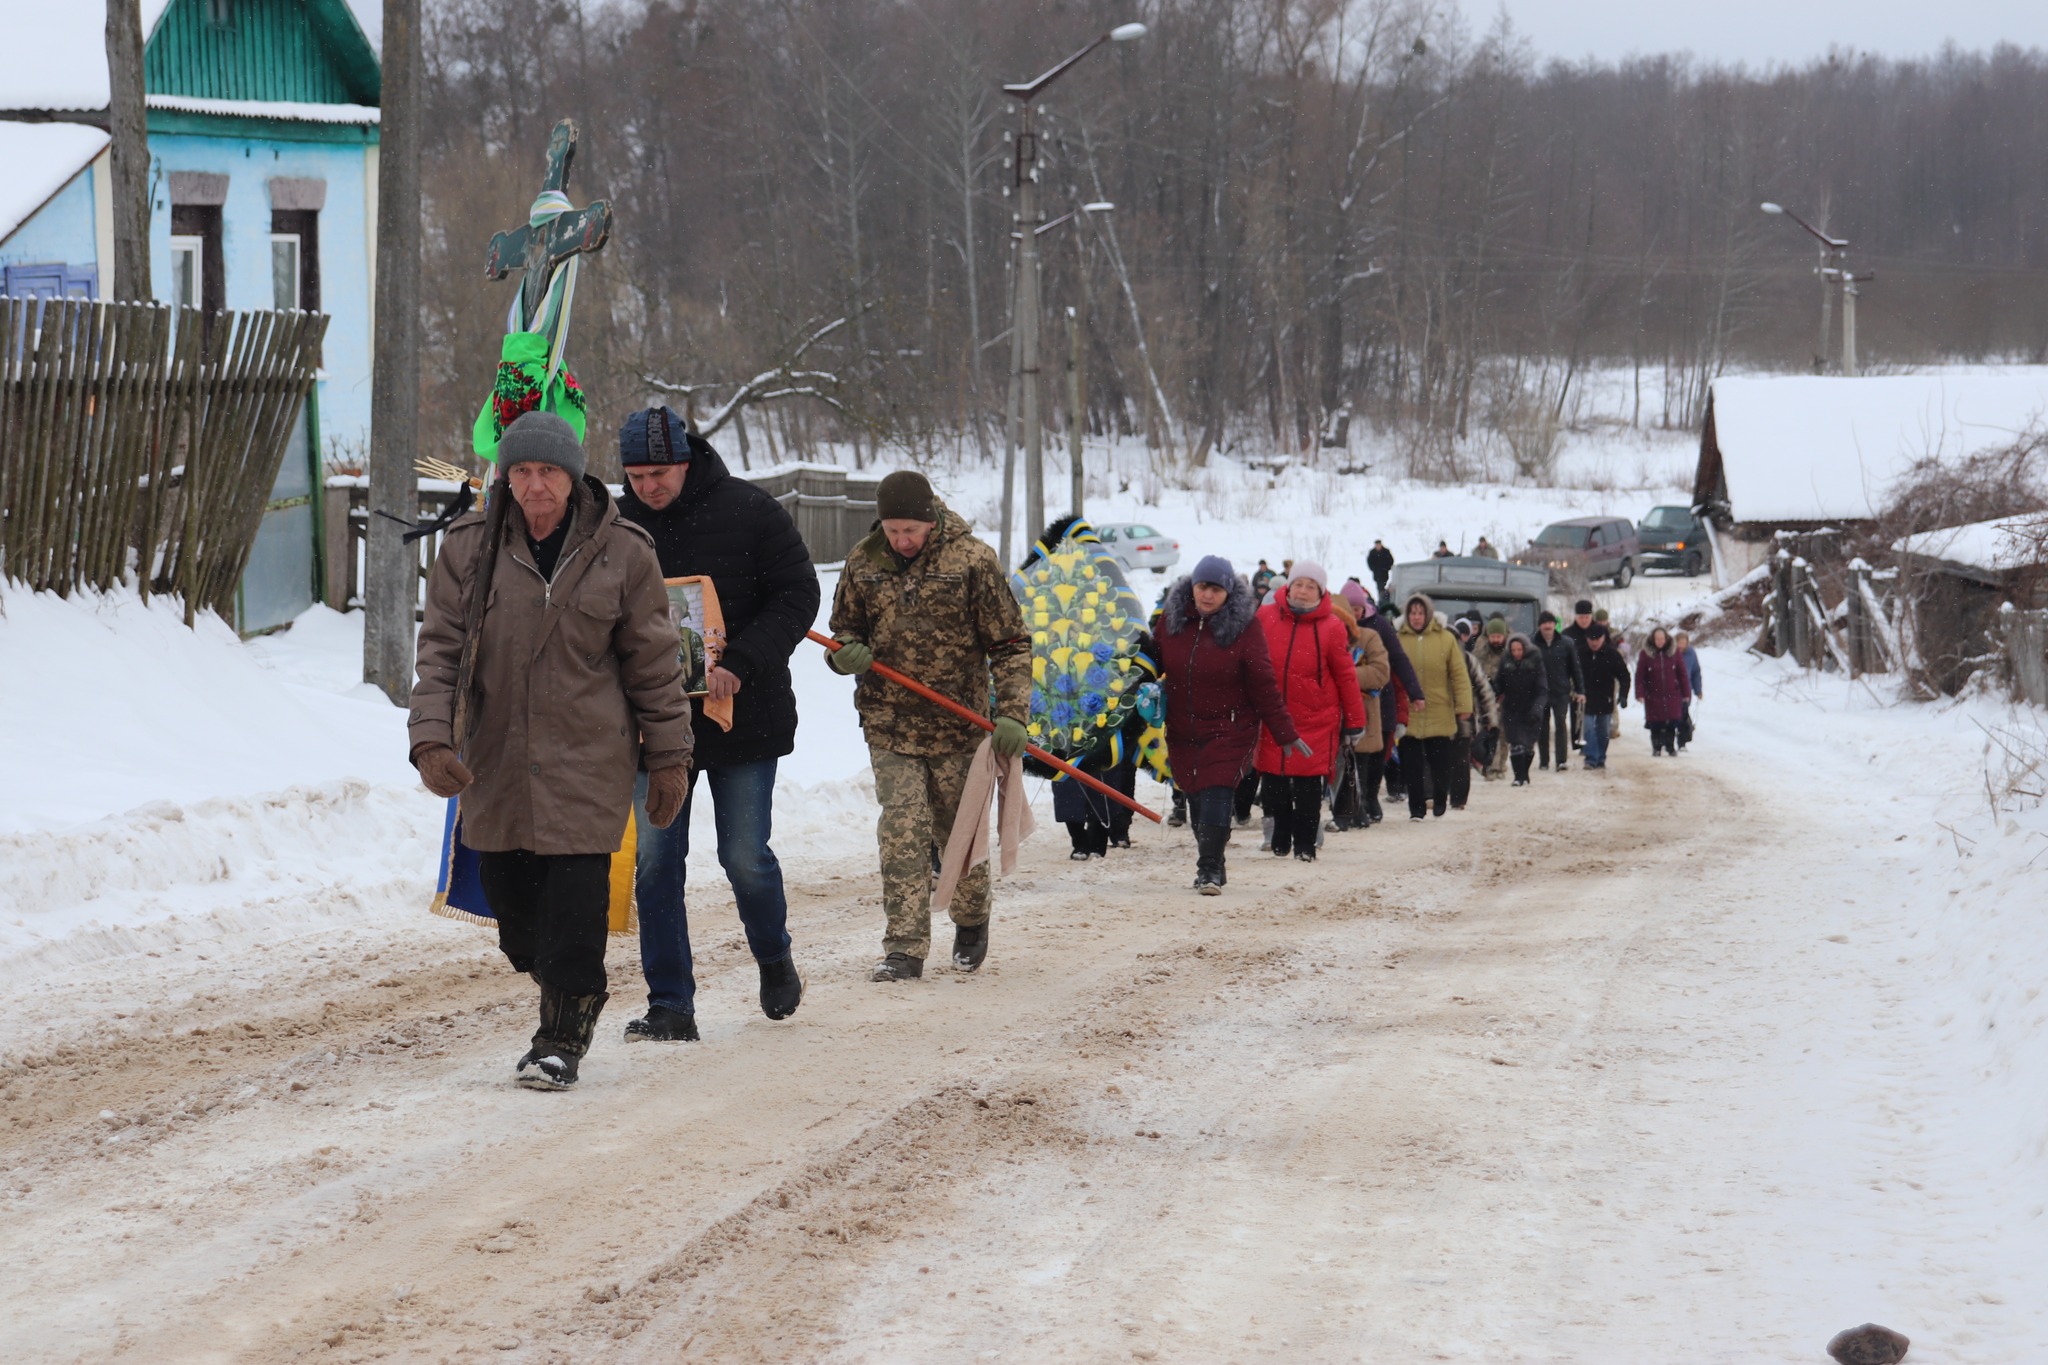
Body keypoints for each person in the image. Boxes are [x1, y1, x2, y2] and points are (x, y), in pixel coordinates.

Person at [409, 412, 694, 1090]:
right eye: (523, 472)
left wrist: (670, 756)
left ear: (574, 477)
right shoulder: (469, 546)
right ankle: (567, 985)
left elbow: (655, 662)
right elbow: (440, 651)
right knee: (515, 912)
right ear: (505, 476)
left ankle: (560, 1036)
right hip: (498, 761)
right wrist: (429, 739)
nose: (536, 486)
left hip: (589, 758)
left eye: (549, 472)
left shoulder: (624, 552)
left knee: (573, 905)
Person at [614, 406, 819, 1043]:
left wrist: (743, 662)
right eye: (637, 475)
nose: (649, 486)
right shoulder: (614, 528)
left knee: (744, 856)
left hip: (743, 721)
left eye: (660, 473)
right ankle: (671, 1005)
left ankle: (774, 956)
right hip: (653, 726)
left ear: (686, 459)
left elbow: (798, 593)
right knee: (655, 863)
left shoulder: (750, 511)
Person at [827, 471, 1031, 981]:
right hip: (889, 723)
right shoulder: (862, 562)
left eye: (911, 530)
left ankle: (970, 916)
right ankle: (904, 947)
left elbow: (1009, 643)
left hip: (957, 728)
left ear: (931, 519)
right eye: (893, 530)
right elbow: (843, 632)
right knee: (902, 832)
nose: (902, 541)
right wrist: (845, 657)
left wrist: (1011, 714)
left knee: (955, 833)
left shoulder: (973, 561)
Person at [1155, 556, 1303, 893]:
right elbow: (1154, 660)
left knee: (1218, 795)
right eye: (1202, 586)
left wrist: (1284, 731)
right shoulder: (1172, 621)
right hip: (1182, 729)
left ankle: (1207, 869)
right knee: (1195, 798)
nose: (1208, 595)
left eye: (1216, 589)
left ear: (1228, 591)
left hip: (1230, 728)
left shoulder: (1245, 628)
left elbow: (1263, 683)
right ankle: (1214, 859)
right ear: (1192, 586)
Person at [1252, 562, 1366, 861]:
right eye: (1299, 584)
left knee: (1307, 787)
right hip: (1274, 717)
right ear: (1288, 586)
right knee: (1273, 784)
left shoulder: (1332, 627)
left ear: (1321, 591)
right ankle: (1281, 829)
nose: (1303, 591)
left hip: (1317, 718)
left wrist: (1355, 721)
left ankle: (1304, 844)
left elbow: (1346, 676)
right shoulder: (1265, 617)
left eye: (1310, 586)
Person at [1396, 593, 1473, 818]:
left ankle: (1440, 798)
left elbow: (1459, 675)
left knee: (1440, 763)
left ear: (1428, 614)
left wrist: (1463, 706)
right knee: (1412, 765)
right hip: (1409, 711)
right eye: (1413, 613)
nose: (1417, 617)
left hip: (1439, 709)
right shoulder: (1399, 638)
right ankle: (1416, 808)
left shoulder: (1445, 639)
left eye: (1421, 613)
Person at [1328, 590, 1390, 831]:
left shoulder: (1369, 638)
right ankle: (1348, 812)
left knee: (1358, 765)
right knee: (1336, 765)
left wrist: (1344, 675)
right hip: (1330, 714)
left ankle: (1356, 811)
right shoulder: (1318, 640)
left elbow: (1380, 672)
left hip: (1362, 713)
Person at [1492, 634, 1549, 785]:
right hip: (1511, 709)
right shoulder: (1506, 663)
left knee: (1528, 746)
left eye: (1519, 649)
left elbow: (1542, 689)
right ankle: (1518, 777)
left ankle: (1525, 773)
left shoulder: (1536, 662)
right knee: (1515, 743)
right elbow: (1499, 683)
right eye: (1513, 650)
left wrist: (1537, 708)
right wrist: (1493, 688)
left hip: (1531, 709)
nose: (1516, 653)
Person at [1531, 610, 1584, 771]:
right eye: (1544, 623)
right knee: (1542, 727)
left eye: (1550, 623)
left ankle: (1561, 761)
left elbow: (1575, 669)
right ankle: (1544, 761)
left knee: (1561, 725)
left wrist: (1580, 690)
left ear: (1555, 624)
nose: (1548, 626)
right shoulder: (1532, 644)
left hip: (1560, 692)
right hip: (1540, 692)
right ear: (1540, 626)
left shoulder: (1566, 643)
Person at [1451, 638, 1498, 809]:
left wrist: (1489, 718)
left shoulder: (1468, 660)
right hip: (1438, 716)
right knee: (1437, 758)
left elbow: (1483, 689)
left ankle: (1458, 798)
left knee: (1461, 758)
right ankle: (1432, 794)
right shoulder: (1433, 658)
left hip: (1465, 717)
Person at [1579, 622, 1631, 770]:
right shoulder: (1580, 653)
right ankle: (1590, 758)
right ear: (1587, 639)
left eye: (1597, 639)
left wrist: (1623, 695)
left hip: (1605, 698)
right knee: (1588, 728)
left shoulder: (1612, 654)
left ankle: (1600, 757)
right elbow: (1570, 674)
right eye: (1591, 639)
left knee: (1603, 730)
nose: (1594, 642)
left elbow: (1624, 676)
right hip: (1585, 699)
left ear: (1603, 638)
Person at [1468, 616, 1512, 781]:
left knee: (1503, 734)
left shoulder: (1510, 653)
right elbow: (1473, 674)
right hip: (1485, 699)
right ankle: (1489, 765)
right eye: (1493, 637)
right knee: (1488, 732)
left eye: (1498, 637)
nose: (1495, 640)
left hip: (1505, 699)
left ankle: (1500, 765)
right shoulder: (1479, 653)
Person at [1634, 625, 1689, 756]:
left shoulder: (1674, 652)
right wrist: (1640, 693)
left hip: (1672, 694)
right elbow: (1640, 675)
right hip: (1653, 695)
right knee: (1655, 723)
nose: (1660, 642)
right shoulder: (1645, 654)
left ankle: (1670, 747)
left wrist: (1686, 692)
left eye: (1662, 639)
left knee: (1671, 722)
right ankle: (1656, 747)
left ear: (1666, 639)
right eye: (1657, 639)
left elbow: (1682, 674)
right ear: (1653, 640)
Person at [1562, 598, 1596, 750]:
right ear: (1576, 617)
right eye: (1581, 617)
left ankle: (1594, 740)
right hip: (1575, 678)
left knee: (1596, 712)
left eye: (1587, 617)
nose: (1584, 620)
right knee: (1577, 711)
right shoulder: (1568, 634)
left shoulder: (1598, 631)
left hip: (1595, 677)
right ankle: (1578, 741)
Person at [1676, 630, 1704, 748]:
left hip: (1685, 691)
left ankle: (1682, 742)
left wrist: (1698, 690)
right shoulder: (1670, 653)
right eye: (1679, 642)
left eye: (1684, 642)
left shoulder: (1691, 654)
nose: (1681, 645)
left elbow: (1696, 672)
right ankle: (1667, 741)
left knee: (1683, 715)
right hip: (1671, 690)